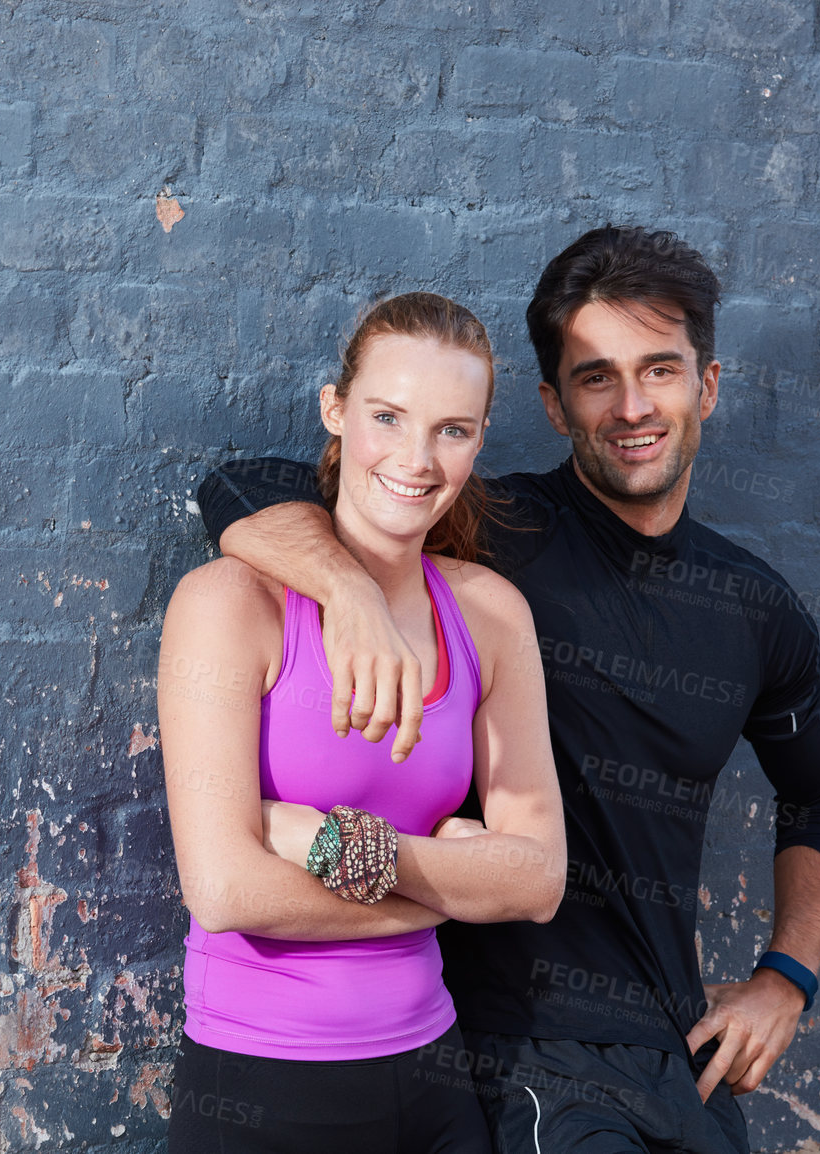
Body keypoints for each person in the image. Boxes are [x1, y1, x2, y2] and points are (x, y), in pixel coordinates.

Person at [195, 227, 820, 1153]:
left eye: (661, 370)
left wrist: (787, 974)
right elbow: (238, 486)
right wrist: (346, 590)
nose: (632, 406)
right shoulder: (484, 530)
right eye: (597, 377)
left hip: (681, 1054)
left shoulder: (756, 607)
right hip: (520, 1055)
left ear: (707, 385)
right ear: (554, 405)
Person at [159, 292, 566, 1154]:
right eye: (388, 416)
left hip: (434, 1080)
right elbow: (226, 890)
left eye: (453, 430)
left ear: (482, 438)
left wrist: (336, 848)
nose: (417, 459)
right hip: (259, 1086)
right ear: (335, 411)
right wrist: (452, 886)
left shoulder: (490, 615)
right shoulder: (229, 605)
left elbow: (536, 881)